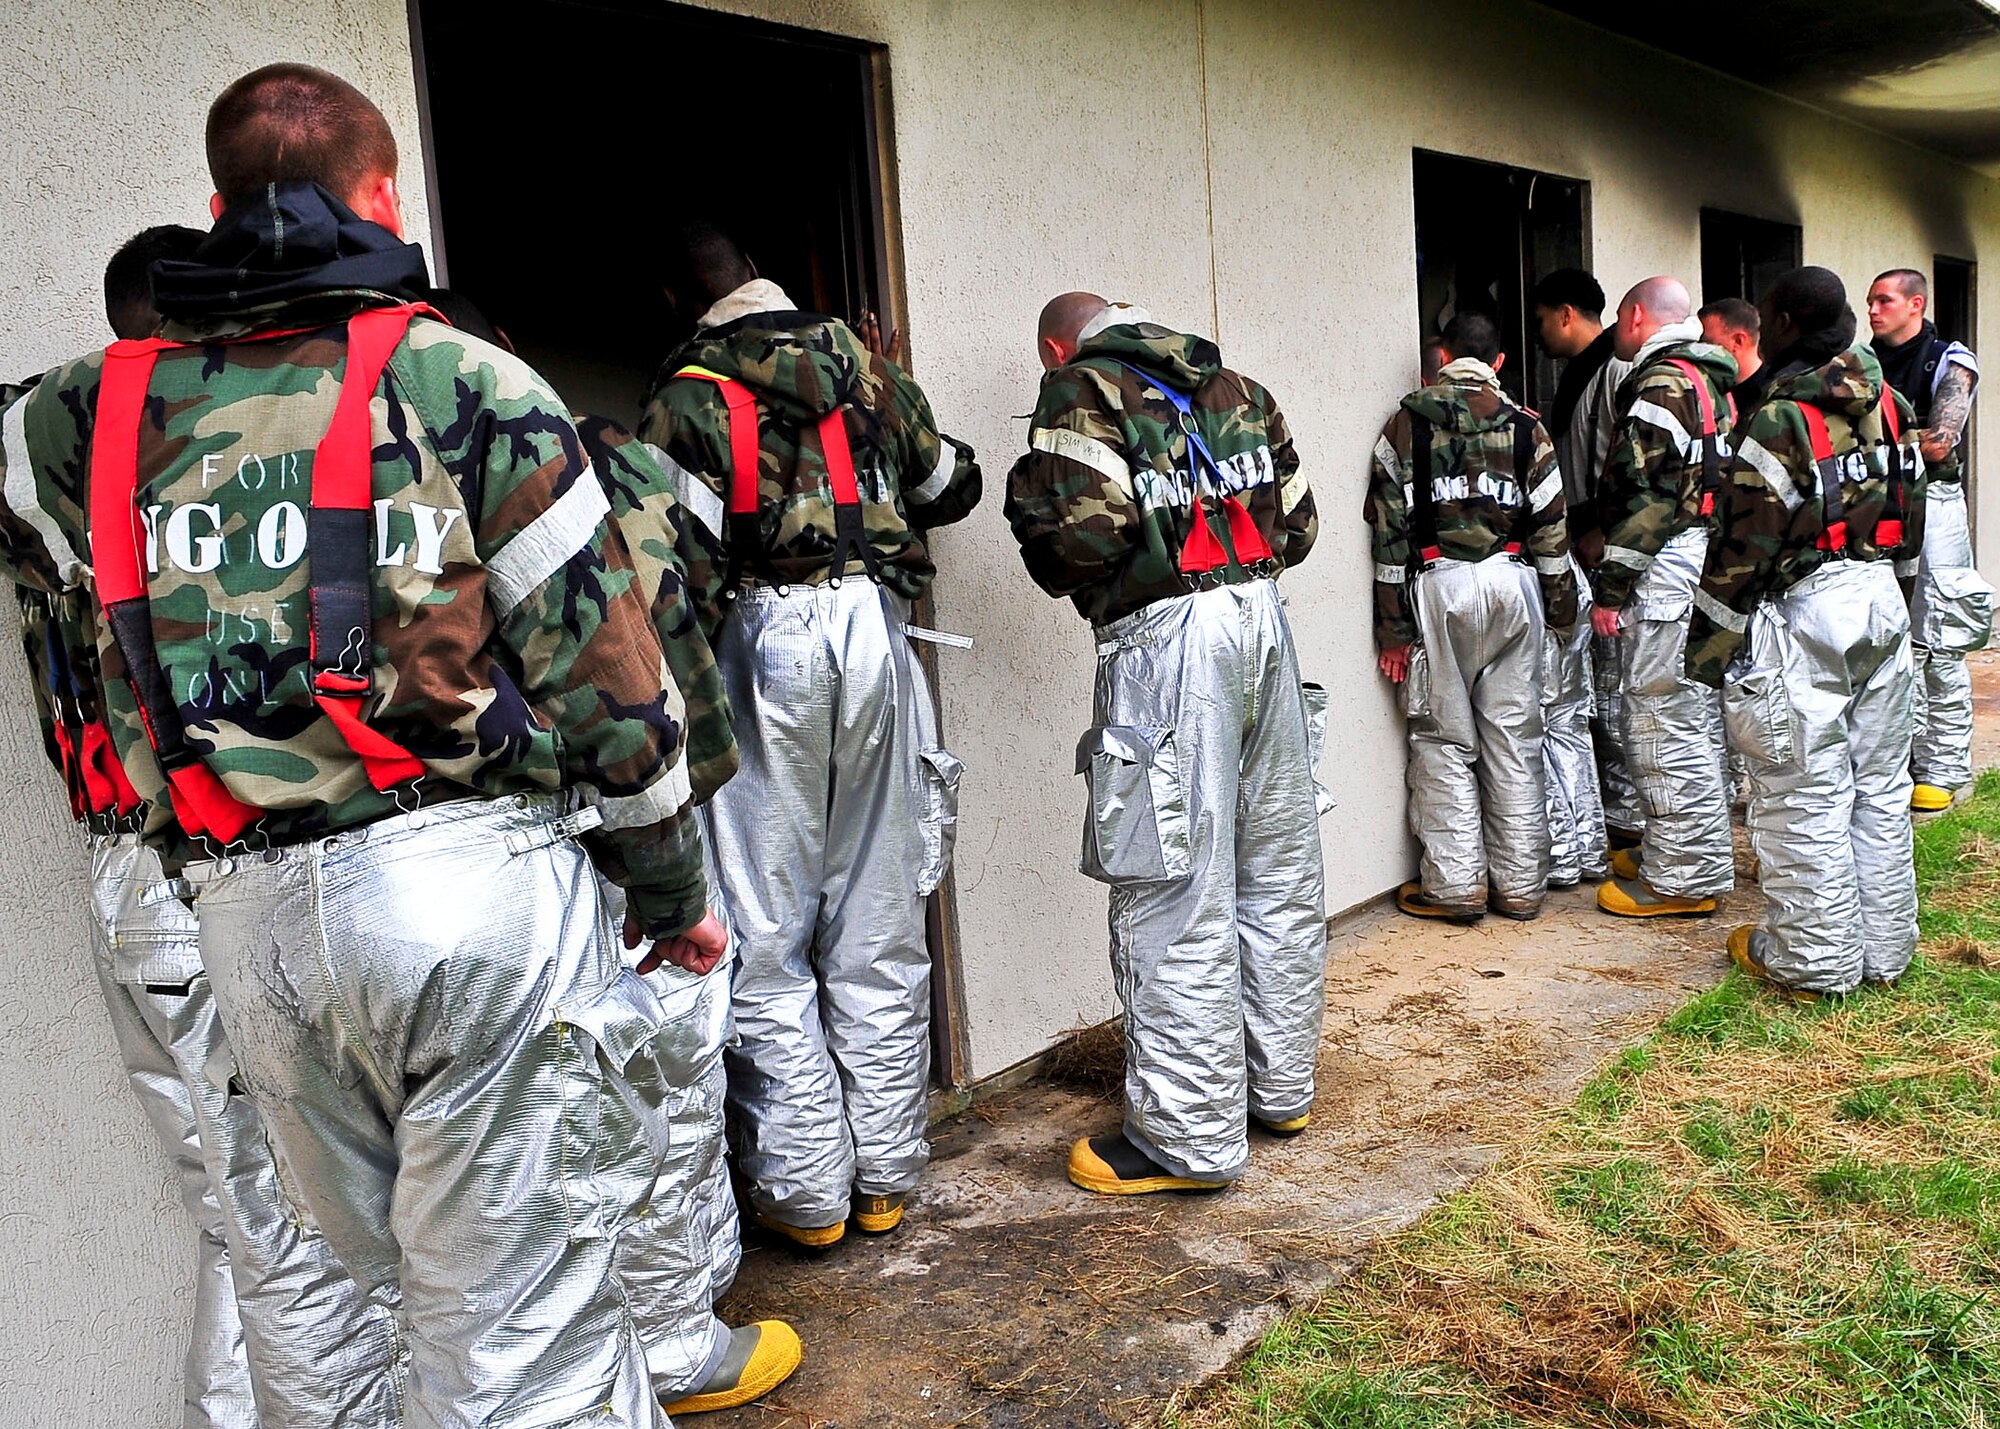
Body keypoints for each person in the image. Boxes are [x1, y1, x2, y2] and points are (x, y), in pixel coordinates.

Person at [0, 64, 726, 1429]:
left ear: (216, 209)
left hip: (249, 925)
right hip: (466, 896)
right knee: (525, 1337)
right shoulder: (463, 377)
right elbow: (614, 687)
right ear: (385, 197)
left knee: (372, 1298)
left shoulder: (81, 416)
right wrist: (669, 891)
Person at [11, 226, 401, 1429]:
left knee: (245, 1229)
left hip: (122, 883)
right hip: (212, 868)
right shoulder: (219, 440)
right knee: (299, 1238)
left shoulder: (42, 442)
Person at [420, 288, 801, 1415]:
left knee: (567, 1122)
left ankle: (675, 1324)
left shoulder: (385, 483)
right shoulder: (601, 461)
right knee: (657, 1088)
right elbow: (671, 627)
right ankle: (682, 1338)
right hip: (627, 807)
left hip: (492, 840)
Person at [637, 221, 981, 1250]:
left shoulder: (686, 396)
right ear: (759, 277)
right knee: (875, 910)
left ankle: (808, 1197)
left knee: (764, 924)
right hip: (872, 628)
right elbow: (950, 489)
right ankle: (885, 1174)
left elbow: (671, 575)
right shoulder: (868, 370)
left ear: (680, 300)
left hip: (759, 640)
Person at [1006, 291, 1327, 1195]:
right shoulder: (1236, 386)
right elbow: (1298, 528)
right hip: (1263, 617)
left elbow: (1080, 542)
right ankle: (1280, 1087)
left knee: (1170, 885)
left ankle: (1187, 1140)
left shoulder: (1080, 387)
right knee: (1276, 866)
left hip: (1167, 640)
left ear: (1056, 345)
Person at [1688, 266, 1924, 997]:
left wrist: (1709, 652)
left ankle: (1814, 962)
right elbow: (1912, 509)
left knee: (1804, 789)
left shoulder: (1781, 418)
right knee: (1880, 785)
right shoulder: (1889, 401)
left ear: (1786, 323)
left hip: (1807, 608)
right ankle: (1884, 952)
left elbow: (1741, 547)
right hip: (1879, 595)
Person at [1368, 313, 1575, 920]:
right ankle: (1521, 888)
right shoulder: (1527, 429)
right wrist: (1561, 620)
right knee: (1515, 741)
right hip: (1516, 584)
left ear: (1442, 357)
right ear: (1499, 363)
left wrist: (1393, 631)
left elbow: (1389, 538)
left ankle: (1457, 888)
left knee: (1442, 737)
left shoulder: (1406, 425)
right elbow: (1552, 532)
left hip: (1440, 585)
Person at [1591, 277, 1740, 918]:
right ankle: (1678, 849)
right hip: (1708, 561)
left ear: (1634, 316)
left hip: (1667, 566)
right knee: (1692, 719)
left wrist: (1610, 588)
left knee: (1659, 721)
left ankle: (1680, 880)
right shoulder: (1713, 384)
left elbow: (1641, 502)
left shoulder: (1659, 387)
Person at [1868, 268, 1990, 812]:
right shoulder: (1861, 363)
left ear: (1915, 304)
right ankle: (1902, 760)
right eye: (1870, 301)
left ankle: (1942, 766)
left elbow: (1939, 443)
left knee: (1939, 637)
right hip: (1879, 506)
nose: (1873, 309)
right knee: (1892, 643)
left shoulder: (1950, 359)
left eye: (1884, 300)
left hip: (1933, 507)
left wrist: (1874, 444)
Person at [1532, 268, 1640, 854]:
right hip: (1581, 537)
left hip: (1606, 541)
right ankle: (1620, 812)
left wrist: (1600, 527)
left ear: (1567, 313)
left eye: (1543, 318)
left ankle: (1632, 816)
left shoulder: (1615, 369)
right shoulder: (1581, 370)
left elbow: (1625, 461)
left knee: (1619, 683)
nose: (1539, 333)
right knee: (1601, 684)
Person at [1699, 297, 1772, 419]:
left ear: (1738, 341)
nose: (1700, 351)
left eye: (1707, 343)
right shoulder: (1707, 391)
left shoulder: (1773, 397)